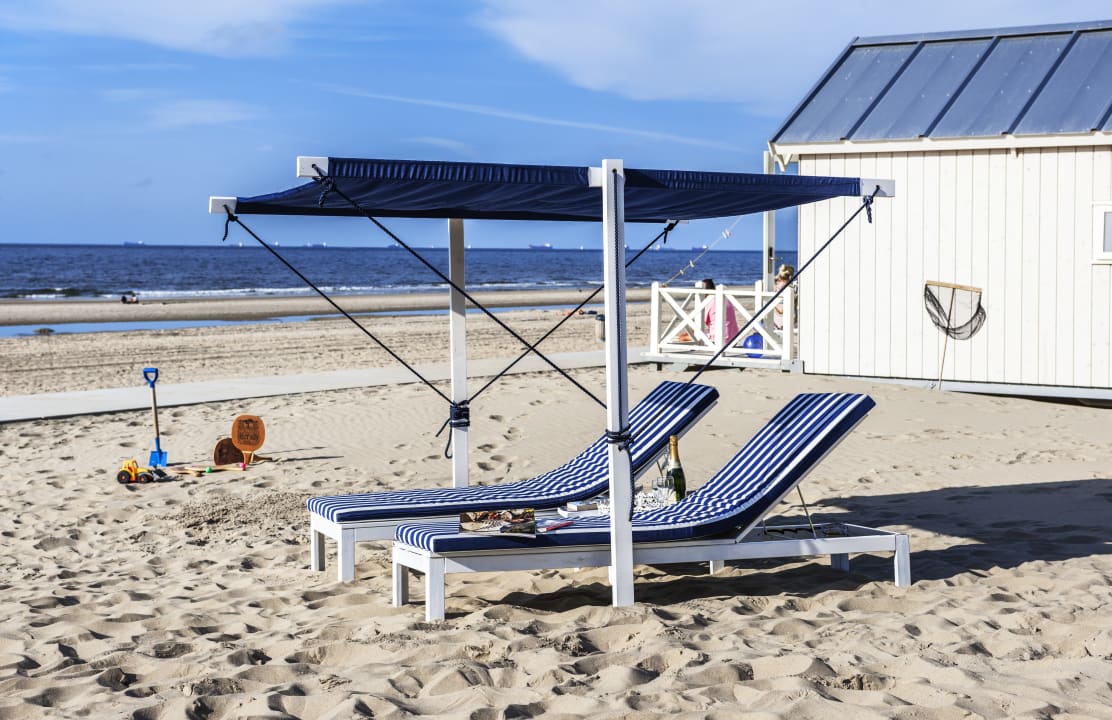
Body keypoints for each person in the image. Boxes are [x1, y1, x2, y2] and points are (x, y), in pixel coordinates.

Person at [701, 278, 739, 343]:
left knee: (694, 335)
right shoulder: (726, 299)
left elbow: (700, 323)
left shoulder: (709, 301)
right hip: (734, 339)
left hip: (718, 340)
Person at [772, 264, 795, 330]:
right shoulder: (791, 289)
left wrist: (776, 278)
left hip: (774, 322)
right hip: (789, 322)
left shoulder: (774, 287)